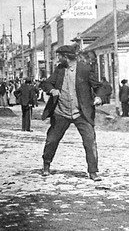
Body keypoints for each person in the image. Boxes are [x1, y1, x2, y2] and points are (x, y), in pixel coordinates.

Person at [40, 45, 106, 181]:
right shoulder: (59, 70)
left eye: (59, 56)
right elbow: (47, 84)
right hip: (61, 111)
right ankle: (46, 164)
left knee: (90, 141)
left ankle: (93, 171)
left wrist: (99, 97)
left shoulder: (85, 69)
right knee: (52, 140)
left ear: (66, 57)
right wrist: (52, 90)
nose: (58, 59)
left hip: (81, 113)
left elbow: (99, 87)